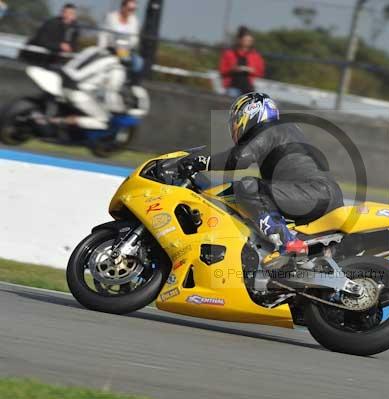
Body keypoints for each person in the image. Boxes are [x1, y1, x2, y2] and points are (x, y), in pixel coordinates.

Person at [180, 92, 344, 255]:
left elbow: (240, 158)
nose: (234, 125)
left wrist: (199, 162)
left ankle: (286, 241)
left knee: (248, 187)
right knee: (256, 193)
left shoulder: (270, 127)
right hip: (317, 193)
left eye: (236, 118)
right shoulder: (284, 129)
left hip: (314, 192)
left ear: (250, 112)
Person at [58, 46, 128, 130]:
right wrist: (119, 109)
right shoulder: (116, 67)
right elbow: (112, 90)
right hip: (77, 90)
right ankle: (56, 121)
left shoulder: (92, 49)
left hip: (60, 77)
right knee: (104, 120)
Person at [98, 0, 143, 74]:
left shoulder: (135, 21)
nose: (131, 12)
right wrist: (101, 49)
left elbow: (135, 39)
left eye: (134, 10)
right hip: (111, 48)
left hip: (126, 50)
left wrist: (125, 47)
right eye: (130, 9)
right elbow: (103, 35)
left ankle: (132, 84)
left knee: (138, 62)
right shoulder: (111, 17)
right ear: (123, 7)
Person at [219, 27, 265, 97]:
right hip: (232, 86)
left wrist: (252, 71)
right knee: (232, 98)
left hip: (249, 88)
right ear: (240, 40)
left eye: (249, 41)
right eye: (245, 40)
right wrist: (232, 69)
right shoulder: (229, 53)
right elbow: (222, 71)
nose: (247, 42)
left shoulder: (255, 56)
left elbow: (260, 72)